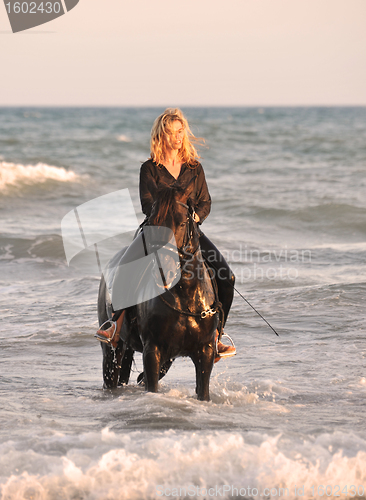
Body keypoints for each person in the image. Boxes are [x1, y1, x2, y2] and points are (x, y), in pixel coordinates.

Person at [96, 108, 236, 361]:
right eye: (171, 133)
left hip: (189, 233)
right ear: (161, 135)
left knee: (228, 276)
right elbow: (147, 205)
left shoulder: (194, 168)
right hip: (156, 233)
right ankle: (116, 325)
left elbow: (205, 202)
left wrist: (195, 217)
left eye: (180, 131)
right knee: (126, 269)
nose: (177, 137)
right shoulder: (149, 169)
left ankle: (217, 336)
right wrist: (169, 215)